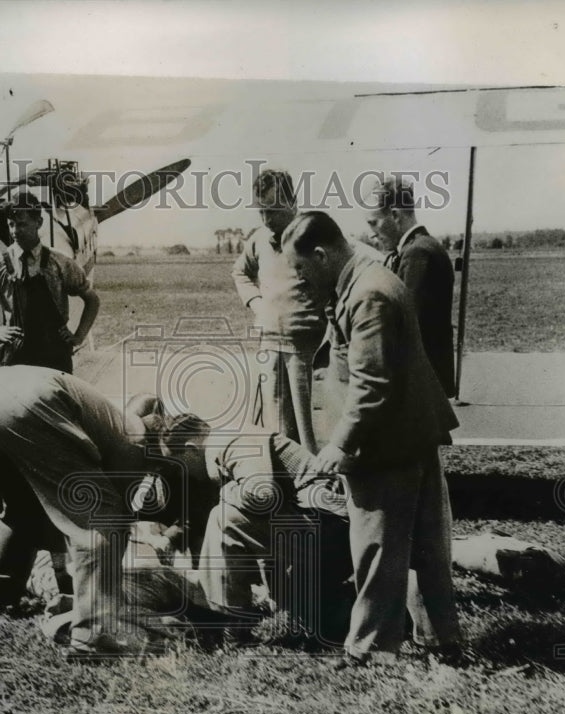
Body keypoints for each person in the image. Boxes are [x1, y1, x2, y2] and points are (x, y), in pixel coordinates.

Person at [280, 211, 463, 666]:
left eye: (302, 269)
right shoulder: (366, 280)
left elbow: (370, 383)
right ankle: (442, 639)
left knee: (375, 546)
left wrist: (339, 444)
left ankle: (371, 650)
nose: (300, 281)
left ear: (321, 255)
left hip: (384, 442)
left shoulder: (368, 295)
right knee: (427, 546)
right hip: (408, 432)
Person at [0, 365, 152, 658]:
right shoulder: (135, 443)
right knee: (104, 520)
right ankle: (93, 636)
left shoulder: (113, 420)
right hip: (29, 401)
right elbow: (113, 517)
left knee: (22, 505)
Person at [0, 190, 101, 572]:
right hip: (15, 366)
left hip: (55, 367)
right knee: (0, 453)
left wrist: (79, 335)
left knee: (59, 450)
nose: (15, 228)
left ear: (39, 223)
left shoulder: (60, 265)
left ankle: (60, 550)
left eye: (22, 221)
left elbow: (92, 298)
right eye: (10, 222)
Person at [158, 413, 351, 642]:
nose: (182, 473)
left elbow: (263, 496)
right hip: (325, 529)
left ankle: (229, 621)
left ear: (190, 449)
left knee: (222, 517)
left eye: (178, 464)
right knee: (305, 611)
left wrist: (225, 493)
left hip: (332, 529)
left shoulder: (227, 441)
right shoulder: (228, 439)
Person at [232, 169, 327, 453]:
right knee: (275, 430)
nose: (266, 219)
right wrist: (256, 303)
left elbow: (335, 282)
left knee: (308, 432)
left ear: (293, 202)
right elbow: (240, 272)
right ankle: (284, 489)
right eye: (260, 211)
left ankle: (318, 488)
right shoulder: (259, 239)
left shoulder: (313, 237)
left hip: (306, 351)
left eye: (272, 209)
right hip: (270, 347)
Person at [363, 176, 456, 397]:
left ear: (395, 215)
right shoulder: (424, 246)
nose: (371, 234)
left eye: (374, 222)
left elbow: (408, 323)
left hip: (418, 381)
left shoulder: (416, 253)